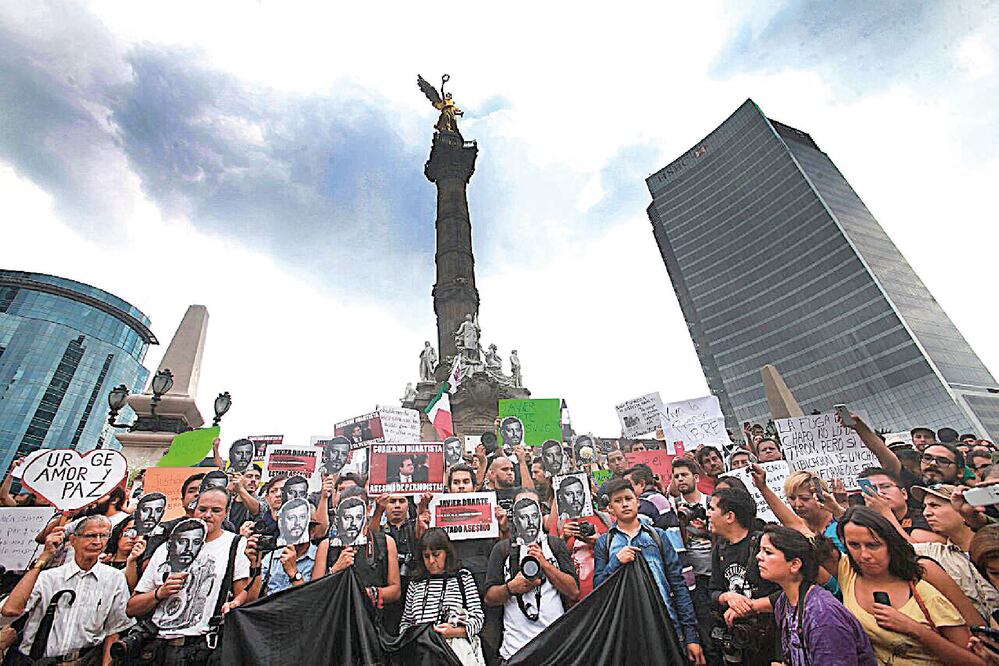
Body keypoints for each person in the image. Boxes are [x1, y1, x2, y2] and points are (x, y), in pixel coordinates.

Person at [807, 506, 980, 664]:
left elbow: (976, 660)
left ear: (890, 543)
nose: (864, 555)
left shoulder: (923, 580)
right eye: (854, 545)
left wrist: (915, 630)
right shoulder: (847, 572)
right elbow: (797, 539)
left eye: (873, 545)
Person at [129, 488, 250, 666]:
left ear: (226, 513)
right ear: (194, 509)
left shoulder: (236, 545)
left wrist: (234, 603)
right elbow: (132, 607)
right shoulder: (165, 548)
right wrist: (159, 593)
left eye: (216, 510)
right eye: (202, 509)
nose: (208, 515)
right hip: (158, 647)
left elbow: (245, 596)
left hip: (203, 648)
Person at [593, 479, 704, 665]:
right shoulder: (604, 543)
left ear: (637, 501)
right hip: (627, 631)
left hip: (666, 624)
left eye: (628, 498)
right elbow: (598, 589)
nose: (625, 504)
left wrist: (691, 636)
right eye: (618, 501)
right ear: (610, 509)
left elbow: (678, 585)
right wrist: (615, 563)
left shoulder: (658, 536)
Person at [2, 516, 133, 665]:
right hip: (38, 661)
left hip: (83, 661)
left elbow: (113, 631)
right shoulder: (48, 577)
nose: (97, 542)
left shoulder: (114, 579)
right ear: (73, 540)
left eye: (103, 536)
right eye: (90, 535)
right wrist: (42, 560)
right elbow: (10, 610)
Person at [756, 525, 876, 665]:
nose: (759, 557)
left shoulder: (822, 616)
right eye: (760, 551)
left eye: (768, 552)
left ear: (795, 564)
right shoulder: (784, 602)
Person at [484, 490, 579, 661]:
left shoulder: (554, 545)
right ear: (515, 516)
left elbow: (573, 591)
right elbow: (490, 598)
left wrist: (545, 564)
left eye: (533, 513)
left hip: (555, 649)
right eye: (522, 514)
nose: (529, 521)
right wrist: (511, 588)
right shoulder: (502, 550)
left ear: (540, 513)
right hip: (515, 651)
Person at [708, 487, 780, 666]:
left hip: (770, 639)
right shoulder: (720, 548)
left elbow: (786, 592)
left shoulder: (762, 544)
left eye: (712, 509)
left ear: (730, 516)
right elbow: (713, 591)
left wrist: (753, 606)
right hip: (740, 640)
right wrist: (728, 597)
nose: (708, 514)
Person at [909, 484, 999, 620]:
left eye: (934, 505)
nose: (926, 513)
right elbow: (895, 547)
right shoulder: (933, 553)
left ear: (962, 508)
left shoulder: (994, 544)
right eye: (924, 507)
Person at [313, 487, 402, 623]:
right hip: (336, 620)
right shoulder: (326, 545)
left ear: (366, 510)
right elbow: (315, 592)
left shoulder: (385, 542)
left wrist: (366, 593)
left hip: (372, 621)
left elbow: (395, 591)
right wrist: (335, 569)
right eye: (348, 514)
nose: (354, 521)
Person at [400, 528, 486, 666]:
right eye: (426, 556)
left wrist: (455, 632)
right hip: (420, 656)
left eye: (436, 554)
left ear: (446, 553)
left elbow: (478, 618)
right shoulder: (415, 583)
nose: (432, 561)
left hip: (455, 651)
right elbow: (406, 622)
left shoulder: (463, 578)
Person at [857, 468, 942, 543]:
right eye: (872, 489)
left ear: (904, 493)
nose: (879, 492)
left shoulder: (926, 517)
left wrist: (885, 512)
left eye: (886, 486)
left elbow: (920, 552)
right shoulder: (867, 525)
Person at [104, 515, 146, 590]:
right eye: (130, 531)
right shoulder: (102, 559)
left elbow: (129, 591)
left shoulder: (142, 565)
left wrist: (132, 560)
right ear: (119, 533)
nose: (133, 537)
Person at [226, 463, 262, 529]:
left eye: (257, 478)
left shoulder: (263, 500)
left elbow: (256, 510)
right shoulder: (228, 501)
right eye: (249, 476)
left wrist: (240, 488)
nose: (253, 480)